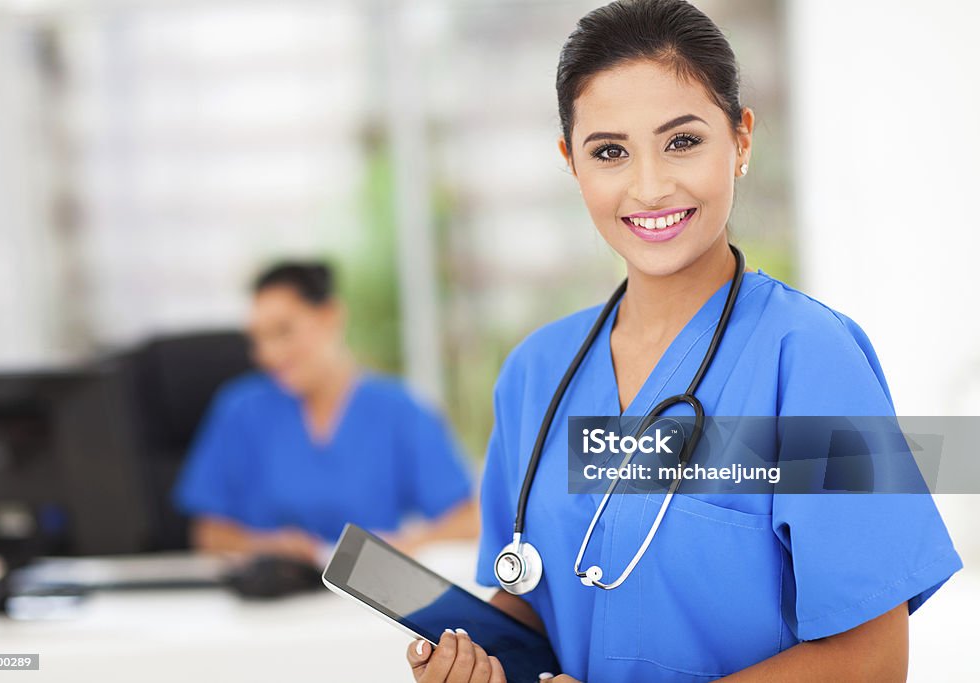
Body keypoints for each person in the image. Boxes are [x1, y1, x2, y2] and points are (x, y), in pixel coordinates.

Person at [404, 1, 962, 681]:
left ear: (743, 141)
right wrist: (475, 662)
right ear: (571, 164)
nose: (650, 186)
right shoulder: (535, 373)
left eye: (682, 141)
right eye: (610, 151)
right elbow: (539, 598)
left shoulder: (812, 359)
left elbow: (872, 661)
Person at [174, 261, 478, 565]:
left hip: (363, 597)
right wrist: (266, 546)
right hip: (270, 597)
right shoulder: (241, 410)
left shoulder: (399, 411)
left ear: (331, 317)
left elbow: (469, 520)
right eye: (257, 339)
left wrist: (405, 545)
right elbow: (209, 534)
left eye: (283, 332)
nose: (268, 354)